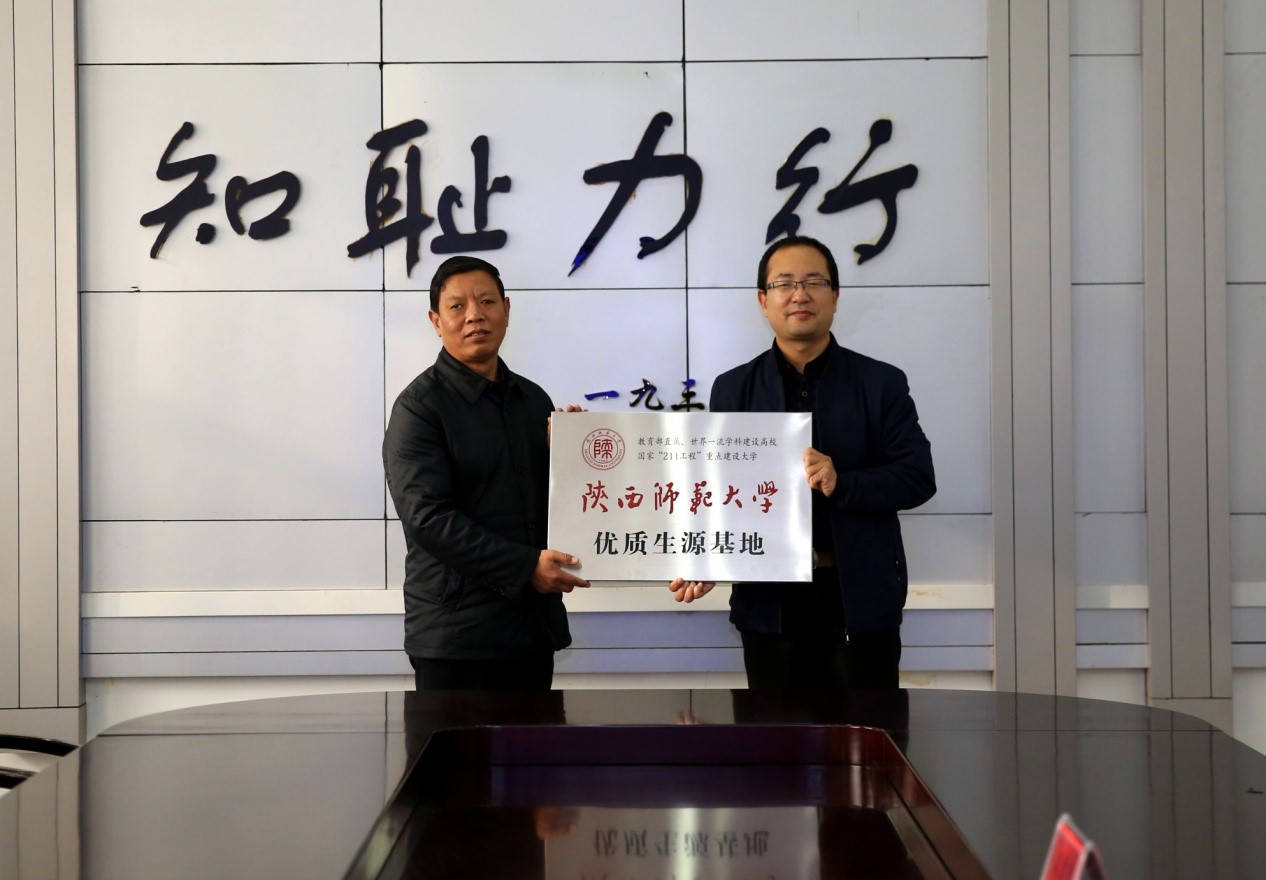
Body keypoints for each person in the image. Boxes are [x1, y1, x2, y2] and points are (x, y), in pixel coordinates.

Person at [669, 236, 935, 690]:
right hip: (768, 605)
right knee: (771, 732)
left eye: (814, 282)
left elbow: (917, 478)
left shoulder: (880, 383)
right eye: (784, 284)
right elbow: (719, 490)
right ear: (763, 300)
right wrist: (706, 557)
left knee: (867, 732)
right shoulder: (733, 388)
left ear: (835, 296)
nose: (800, 294)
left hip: (858, 598)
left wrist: (842, 482)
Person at [384, 255, 589, 691]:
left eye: (487, 301)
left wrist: (571, 457)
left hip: (532, 630)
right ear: (436, 321)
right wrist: (525, 566)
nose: (475, 315)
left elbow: (550, 504)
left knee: (539, 740)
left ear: (507, 310)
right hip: (457, 637)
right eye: (457, 306)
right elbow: (428, 519)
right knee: (454, 742)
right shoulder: (419, 410)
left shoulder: (533, 400)